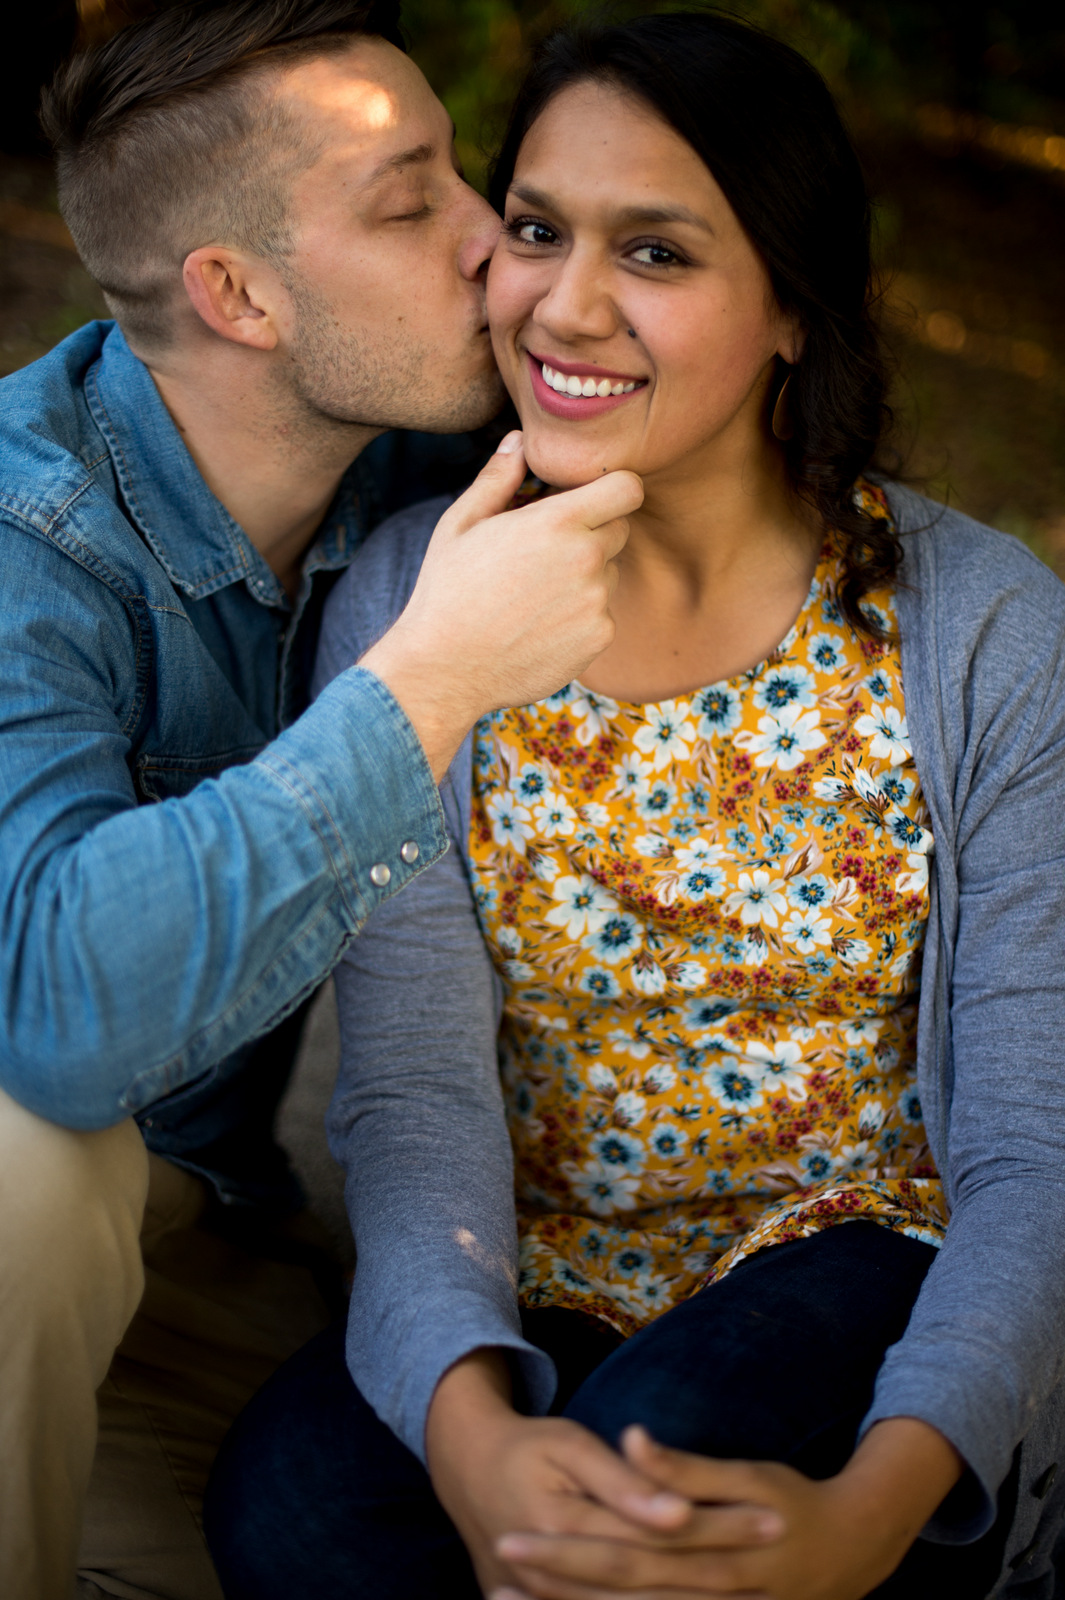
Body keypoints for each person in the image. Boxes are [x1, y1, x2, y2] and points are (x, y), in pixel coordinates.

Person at [204, 10, 1065, 1600]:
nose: (565, 304)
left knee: (656, 1458)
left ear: (791, 312)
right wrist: (470, 1443)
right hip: (546, 1282)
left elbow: (1033, 1149)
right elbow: (408, 1101)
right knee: (292, 1514)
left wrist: (869, 1519)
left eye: (655, 253)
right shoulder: (417, 597)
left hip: (864, 1262)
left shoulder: (985, 630)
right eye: (536, 229)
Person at [0, 2, 643, 1597]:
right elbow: (58, 1015)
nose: (494, 243)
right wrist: (425, 683)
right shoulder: (27, 543)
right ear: (236, 294)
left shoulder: (416, 461)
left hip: (199, 1248)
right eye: (410, 202)